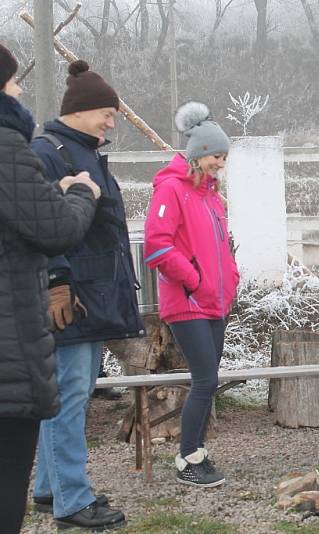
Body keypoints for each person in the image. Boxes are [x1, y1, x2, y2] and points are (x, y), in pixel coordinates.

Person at [30, 60, 143, 531]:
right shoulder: (49, 152)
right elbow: (41, 225)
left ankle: (50, 488)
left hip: (94, 290)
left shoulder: (85, 150)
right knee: (70, 398)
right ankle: (74, 502)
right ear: (80, 110)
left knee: (65, 394)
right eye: (107, 113)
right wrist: (57, 281)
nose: (113, 121)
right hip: (72, 295)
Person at [0, 43, 100, 534]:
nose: (19, 91)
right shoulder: (17, 147)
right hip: (10, 347)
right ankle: (67, 496)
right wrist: (81, 192)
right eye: (14, 82)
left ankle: (52, 489)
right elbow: (52, 229)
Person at [144, 102, 239, 487]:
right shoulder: (171, 189)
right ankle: (187, 458)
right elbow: (157, 245)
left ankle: (197, 452)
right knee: (204, 380)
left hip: (213, 302)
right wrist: (195, 281)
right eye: (218, 156)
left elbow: (220, 250)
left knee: (208, 379)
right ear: (199, 154)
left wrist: (229, 281)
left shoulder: (210, 196)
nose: (221, 163)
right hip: (188, 303)